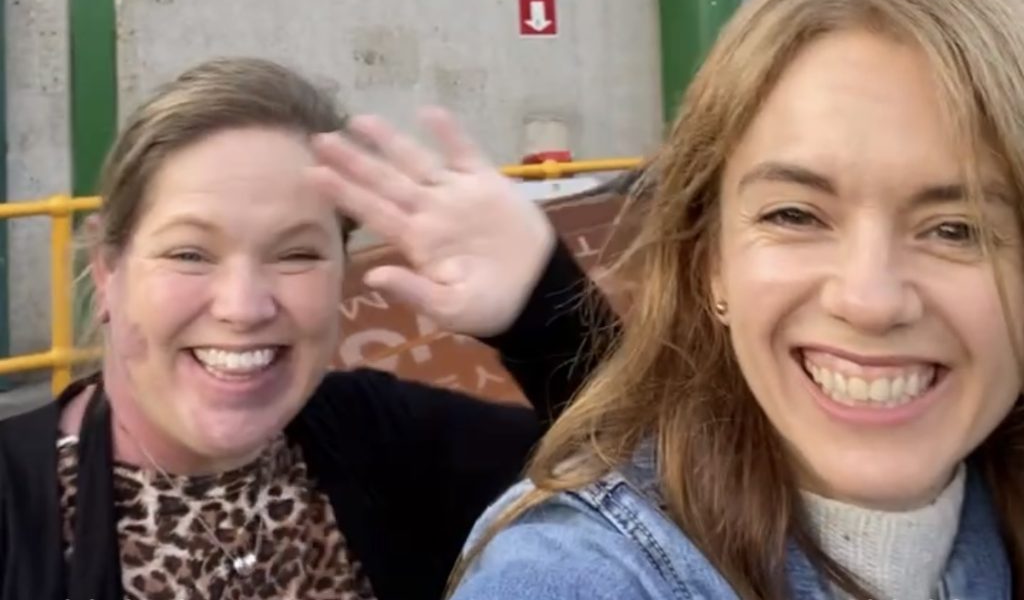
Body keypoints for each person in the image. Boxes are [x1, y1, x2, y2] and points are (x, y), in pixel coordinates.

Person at [447, 0, 1024, 600]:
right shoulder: (577, 578)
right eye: (795, 215)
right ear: (710, 264)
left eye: (956, 228)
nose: (869, 300)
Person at [0, 57, 613, 600]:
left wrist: (548, 311)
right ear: (108, 270)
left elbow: (664, 479)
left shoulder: (386, 443)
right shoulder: (17, 506)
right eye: (190, 253)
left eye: (296, 254)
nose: (244, 307)